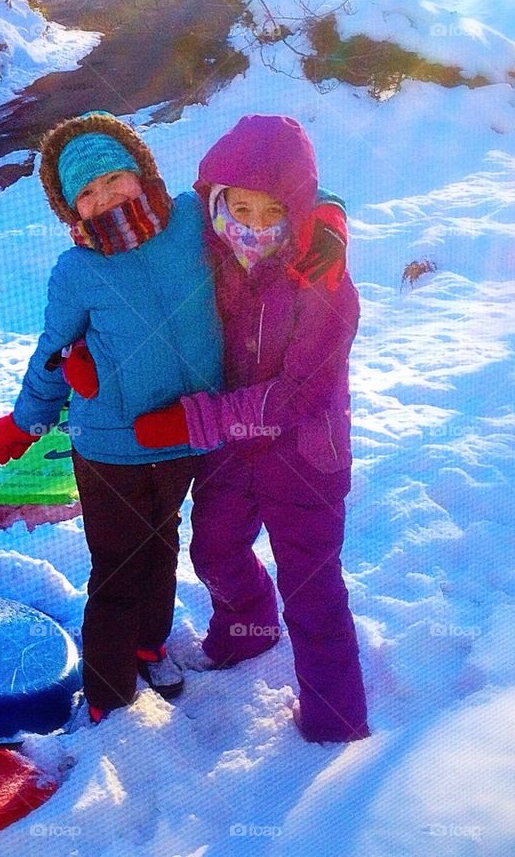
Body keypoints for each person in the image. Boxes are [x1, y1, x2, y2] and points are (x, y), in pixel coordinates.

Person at [130, 114, 370, 742]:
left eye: (273, 212)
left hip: (304, 459)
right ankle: (249, 629)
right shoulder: (205, 257)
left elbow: (298, 396)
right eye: (241, 207)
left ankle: (335, 721)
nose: (255, 228)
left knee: (312, 589)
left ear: (298, 212)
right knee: (214, 549)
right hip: (231, 459)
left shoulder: (324, 285)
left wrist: (195, 419)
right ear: (216, 201)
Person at [0, 111, 223, 724]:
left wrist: (323, 212)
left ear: (143, 172)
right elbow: (54, 353)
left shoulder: (194, 222)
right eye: (86, 193)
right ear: (71, 211)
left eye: (114, 178)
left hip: (183, 432)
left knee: (164, 545)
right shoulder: (78, 270)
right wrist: (25, 420)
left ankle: (152, 642)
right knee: (115, 567)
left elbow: (264, 192)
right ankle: (109, 694)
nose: (105, 197)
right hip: (108, 447)